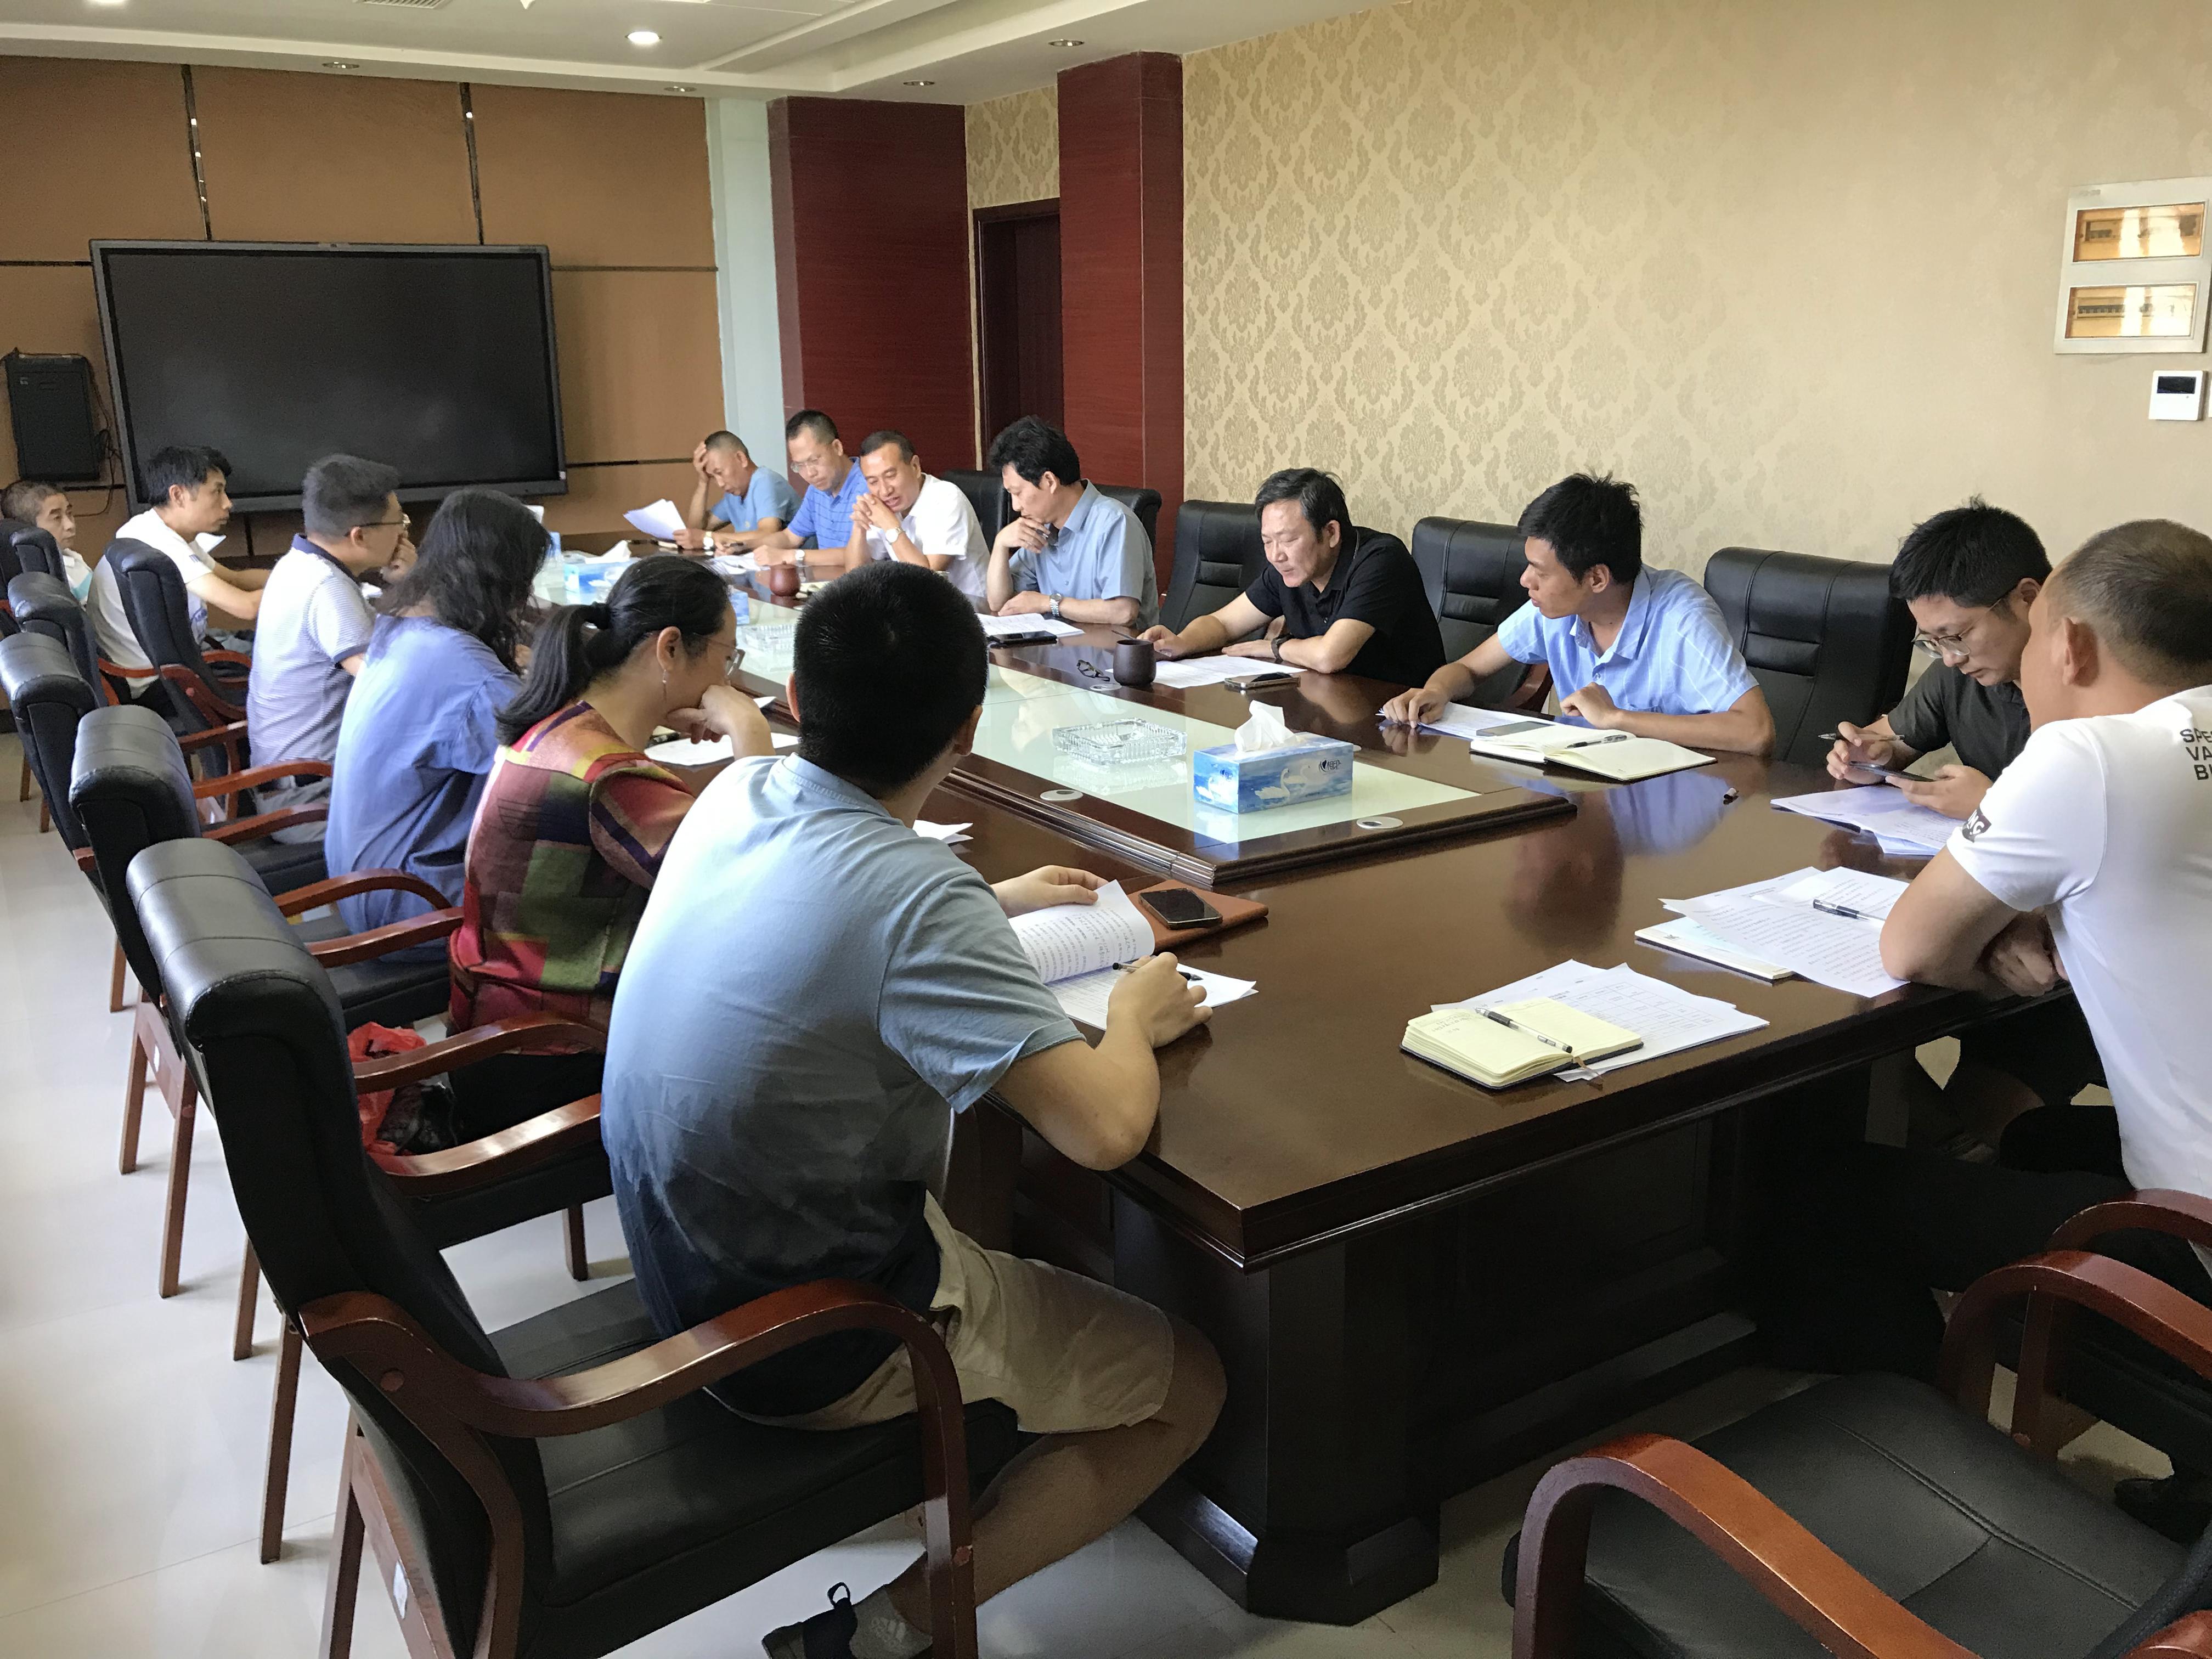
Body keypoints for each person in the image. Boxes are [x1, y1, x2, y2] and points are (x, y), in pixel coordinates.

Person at [602, 561, 1224, 1659]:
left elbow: (830, 917)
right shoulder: (917, 894)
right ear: (969, 728)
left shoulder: (735, 796)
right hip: (812, 1337)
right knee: (1193, 1385)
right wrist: (1134, 1013)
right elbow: (1104, 1131)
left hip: (674, 1265)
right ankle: (896, 1629)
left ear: (798, 697)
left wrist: (983, 902)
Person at [1765, 518, 2212, 1529]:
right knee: (2034, 1140)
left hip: (2197, 1244)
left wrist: (2002, 925)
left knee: (1829, 1185)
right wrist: (2048, 911)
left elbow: (1910, 948)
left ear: (2070, 644)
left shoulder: (2091, 758)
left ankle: (1932, 1468)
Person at [446, 556, 772, 1136]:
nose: (728, 679)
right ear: (670, 648)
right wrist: (752, 737)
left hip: (497, 1039)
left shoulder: (562, 721)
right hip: (552, 1061)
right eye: (727, 658)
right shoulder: (610, 776)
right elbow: (755, 889)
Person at [1828, 500, 2094, 1143]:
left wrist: (1993, 803)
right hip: (2001, 915)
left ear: (2028, 599)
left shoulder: (2098, 687)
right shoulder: (1968, 674)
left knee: (1983, 1109)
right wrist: (1870, 752)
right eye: (1932, 641)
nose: (1947, 658)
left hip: (2081, 956)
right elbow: (1894, 736)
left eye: (1957, 635)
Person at [1380, 473, 1774, 755]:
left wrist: (1617, 718)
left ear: (1597, 578)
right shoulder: (1556, 609)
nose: (1525, 580)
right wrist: (1436, 691)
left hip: (1673, 805)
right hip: (1588, 787)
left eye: (1540, 571)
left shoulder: (1682, 618)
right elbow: (1469, 669)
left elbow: (1755, 731)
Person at [325, 489, 545, 959]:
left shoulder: (400, 628)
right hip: (410, 906)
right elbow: (558, 764)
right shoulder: (470, 674)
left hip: (358, 884)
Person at [1138, 467, 1445, 685]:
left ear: (1331, 533)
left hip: (1403, 716)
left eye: (1287, 540)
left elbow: (1330, 656)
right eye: (1267, 542)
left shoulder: (1381, 560)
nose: (1276, 555)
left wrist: (1275, 647)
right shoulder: (1289, 569)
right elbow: (1224, 623)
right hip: (1329, 701)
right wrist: (1181, 642)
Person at [242, 455, 414, 842]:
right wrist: (415, 586)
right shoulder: (327, 587)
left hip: (294, 782)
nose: (405, 534)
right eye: (399, 523)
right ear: (360, 536)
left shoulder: (298, 563)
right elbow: (391, 688)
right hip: (312, 800)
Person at [87, 444, 271, 682]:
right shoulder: (157, 542)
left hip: (171, 667)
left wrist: (293, 574)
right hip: (159, 683)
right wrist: (309, 586)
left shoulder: (159, 530)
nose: (228, 503)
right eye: (217, 492)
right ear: (178, 495)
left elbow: (236, 579)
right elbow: (246, 607)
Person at [983, 415, 1159, 629]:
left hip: (1113, 649)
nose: (1015, 506)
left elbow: (1123, 612)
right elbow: (999, 604)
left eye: (1018, 493)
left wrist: (1048, 603)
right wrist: (1001, 544)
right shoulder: (1041, 528)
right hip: (1059, 647)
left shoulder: (1114, 523)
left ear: (1049, 481)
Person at [839, 427, 989, 605]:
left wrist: (890, 525)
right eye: (873, 482)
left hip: (973, 611)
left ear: (915, 467)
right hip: (919, 608)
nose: (885, 491)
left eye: (891, 475)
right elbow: (855, 576)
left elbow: (926, 579)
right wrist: (859, 528)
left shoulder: (947, 498)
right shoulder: (884, 504)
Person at [727, 409, 868, 563]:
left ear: (837, 448)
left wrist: (792, 556)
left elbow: (865, 554)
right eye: (800, 465)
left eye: (815, 460)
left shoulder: (870, 485)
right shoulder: (817, 490)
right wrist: (743, 547)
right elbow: (790, 537)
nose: (810, 473)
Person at [674, 430, 796, 552]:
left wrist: (711, 538)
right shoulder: (734, 495)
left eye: (720, 473)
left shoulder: (766, 482)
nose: (720, 484)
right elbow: (696, 530)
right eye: (713, 477)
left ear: (741, 459)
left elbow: (768, 535)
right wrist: (703, 482)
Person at [1, 479, 94, 599]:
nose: (70, 525)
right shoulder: (51, 578)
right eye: (57, 518)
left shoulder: (70, 556)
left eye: (69, 513)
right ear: (30, 529)